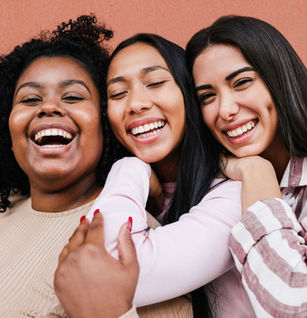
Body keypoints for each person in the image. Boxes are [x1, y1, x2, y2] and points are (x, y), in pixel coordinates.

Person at [0, 14, 188, 318]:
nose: (48, 107)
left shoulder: (134, 237)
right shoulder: (6, 212)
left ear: (103, 126)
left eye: (73, 96)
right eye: (30, 99)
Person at [55, 33, 255, 318]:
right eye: (118, 93)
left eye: (156, 83)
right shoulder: (132, 195)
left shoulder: (235, 195)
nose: (136, 104)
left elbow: (105, 269)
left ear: (189, 93)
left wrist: (129, 167)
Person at [186, 15, 307, 317]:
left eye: (242, 82)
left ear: (279, 78)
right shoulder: (215, 193)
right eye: (208, 96)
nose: (226, 110)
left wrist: (255, 172)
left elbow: (294, 301)